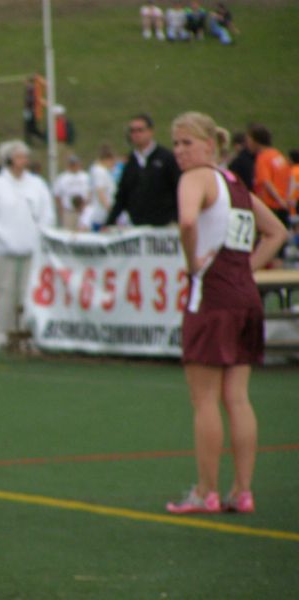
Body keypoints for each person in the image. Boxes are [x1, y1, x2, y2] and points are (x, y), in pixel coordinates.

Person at [166, 111, 286, 515]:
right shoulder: (235, 184)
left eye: (186, 143)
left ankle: (206, 491)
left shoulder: (195, 179)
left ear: (208, 145)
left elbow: (186, 222)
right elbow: (277, 233)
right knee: (237, 397)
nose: (180, 151)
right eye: (176, 144)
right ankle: (243, 490)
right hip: (245, 299)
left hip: (213, 299)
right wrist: (246, 268)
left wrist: (191, 262)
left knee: (205, 400)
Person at [0, 140, 56, 352]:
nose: (24, 160)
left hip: (31, 249)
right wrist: (5, 238)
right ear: (9, 159)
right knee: (5, 291)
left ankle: (24, 333)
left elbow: (47, 213)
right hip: (4, 250)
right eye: (19, 156)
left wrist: (40, 234)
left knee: (27, 292)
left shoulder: (37, 184)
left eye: (25, 156)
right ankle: (2, 333)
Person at [105, 113, 182, 227]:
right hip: (138, 226)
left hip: (165, 227)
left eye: (140, 130)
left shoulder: (166, 158)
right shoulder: (130, 162)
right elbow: (122, 196)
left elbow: (179, 189)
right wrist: (109, 223)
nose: (136, 134)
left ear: (150, 131)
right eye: (132, 131)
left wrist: (177, 218)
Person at [246, 123, 292, 265]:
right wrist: (286, 200)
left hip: (271, 206)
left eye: (249, 139)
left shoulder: (263, 158)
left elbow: (266, 182)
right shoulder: (278, 156)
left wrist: (278, 200)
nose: (247, 143)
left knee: (267, 246)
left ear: (255, 140)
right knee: (279, 249)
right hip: (283, 207)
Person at [79, 144, 118, 231]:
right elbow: (100, 193)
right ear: (108, 160)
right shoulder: (100, 172)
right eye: (113, 162)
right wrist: (111, 211)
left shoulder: (97, 170)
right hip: (102, 215)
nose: (114, 165)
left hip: (100, 213)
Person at [53, 154, 90, 230]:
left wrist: (86, 205)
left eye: (76, 164)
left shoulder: (85, 177)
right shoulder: (62, 178)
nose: (74, 166)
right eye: (72, 164)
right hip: (69, 211)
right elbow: (57, 195)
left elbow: (90, 192)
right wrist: (61, 211)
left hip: (83, 211)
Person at [23, 74, 47, 146]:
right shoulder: (30, 88)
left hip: (31, 111)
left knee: (32, 128)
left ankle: (44, 138)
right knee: (28, 127)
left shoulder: (33, 88)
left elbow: (32, 99)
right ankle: (28, 141)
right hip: (28, 111)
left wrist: (32, 79)